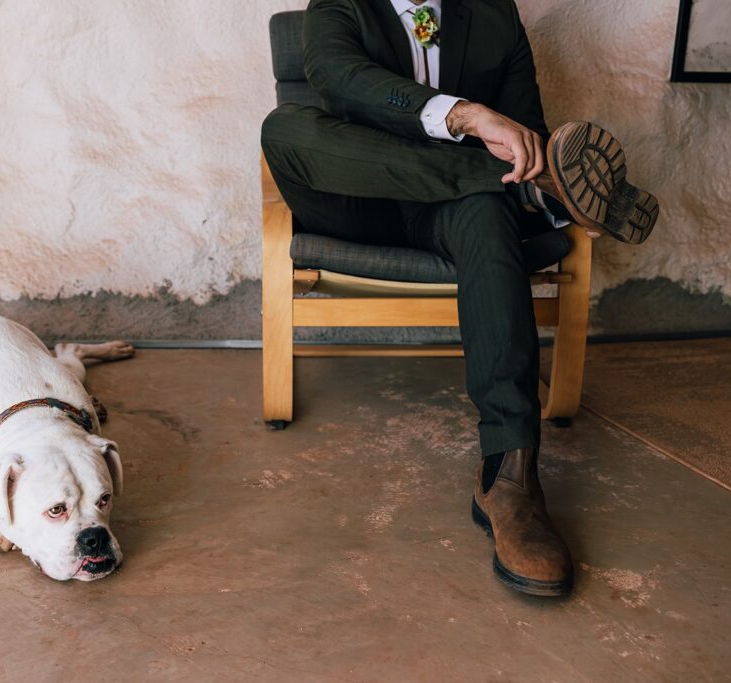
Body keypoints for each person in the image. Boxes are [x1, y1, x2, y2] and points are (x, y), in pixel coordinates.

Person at [260, 0, 659, 597]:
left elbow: (525, 133)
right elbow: (340, 78)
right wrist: (469, 118)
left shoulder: (494, 14)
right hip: (354, 198)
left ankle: (511, 478)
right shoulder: (338, 4)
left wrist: (520, 158)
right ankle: (540, 198)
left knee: (487, 213)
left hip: (458, 210)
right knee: (284, 128)